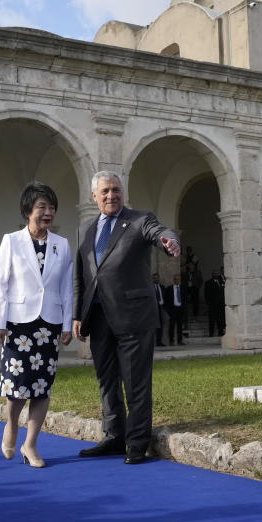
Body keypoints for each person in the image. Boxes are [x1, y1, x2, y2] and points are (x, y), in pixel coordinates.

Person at [73, 171, 180, 465]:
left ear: (124, 193)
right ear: (94, 196)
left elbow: (159, 231)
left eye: (116, 190)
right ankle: (113, 436)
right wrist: (77, 314)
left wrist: (168, 241)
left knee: (135, 382)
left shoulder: (138, 220)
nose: (111, 196)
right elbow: (82, 276)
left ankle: (136, 442)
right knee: (107, 381)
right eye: (105, 191)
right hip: (97, 317)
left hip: (133, 316)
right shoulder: (85, 229)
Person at [0, 182, 73, 468]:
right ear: (29, 210)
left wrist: (65, 323)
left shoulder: (61, 244)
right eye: (42, 207)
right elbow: (0, 285)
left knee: (42, 387)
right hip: (18, 325)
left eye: (52, 208)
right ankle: (12, 425)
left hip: (48, 324)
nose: (47, 213)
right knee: (16, 385)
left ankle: (31, 444)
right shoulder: (11, 241)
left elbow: (66, 288)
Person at [164, 273, 186, 346]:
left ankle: (180, 340)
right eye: (175, 279)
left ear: (180, 280)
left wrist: (184, 308)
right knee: (172, 325)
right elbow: (166, 300)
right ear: (173, 280)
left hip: (180, 308)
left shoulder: (183, 288)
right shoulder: (169, 289)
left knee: (180, 325)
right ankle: (171, 340)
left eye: (178, 279)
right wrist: (168, 309)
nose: (177, 280)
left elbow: (185, 299)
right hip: (173, 309)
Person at [152, 272, 166, 347]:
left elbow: (165, 297)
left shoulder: (162, 287)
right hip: (153, 309)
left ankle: (159, 341)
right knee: (153, 326)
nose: (156, 279)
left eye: (157, 277)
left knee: (161, 326)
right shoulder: (150, 287)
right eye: (154, 278)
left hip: (161, 308)